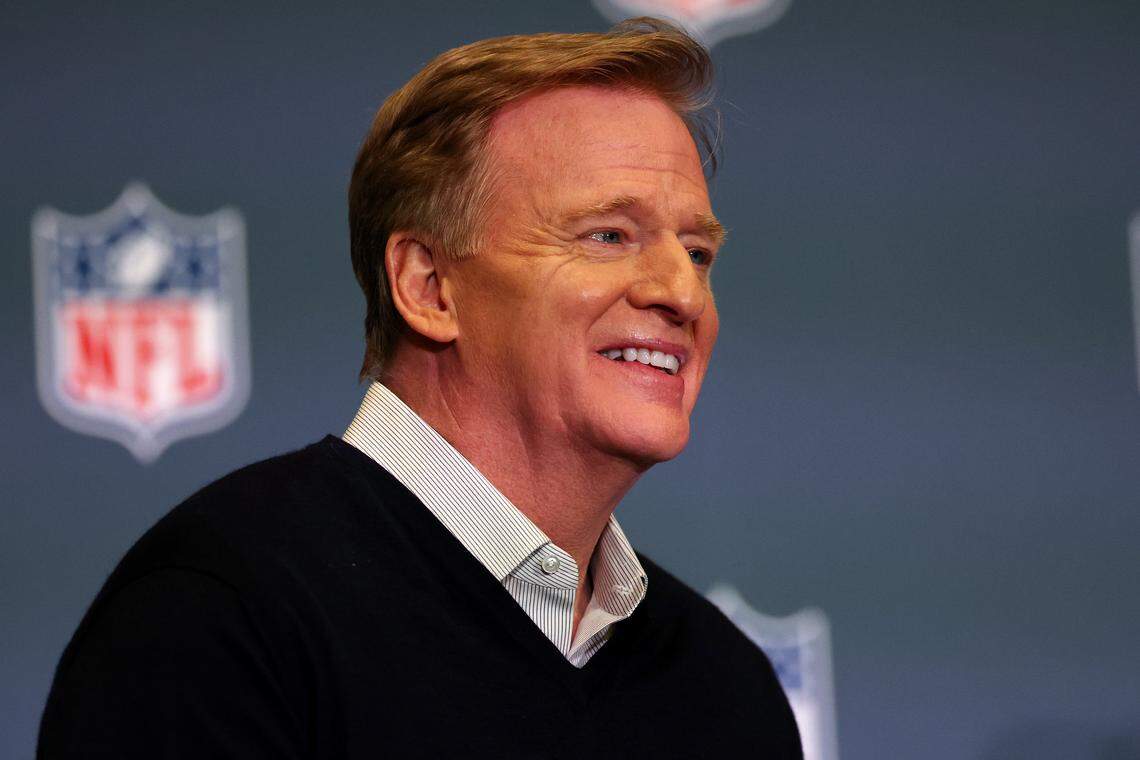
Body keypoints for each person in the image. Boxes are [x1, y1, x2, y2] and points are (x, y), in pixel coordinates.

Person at [38, 18, 802, 759]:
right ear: (428, 286)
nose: (683, 293)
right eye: (608, 236)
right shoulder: (220, 612)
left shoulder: (723, 686)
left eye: (697, 253)